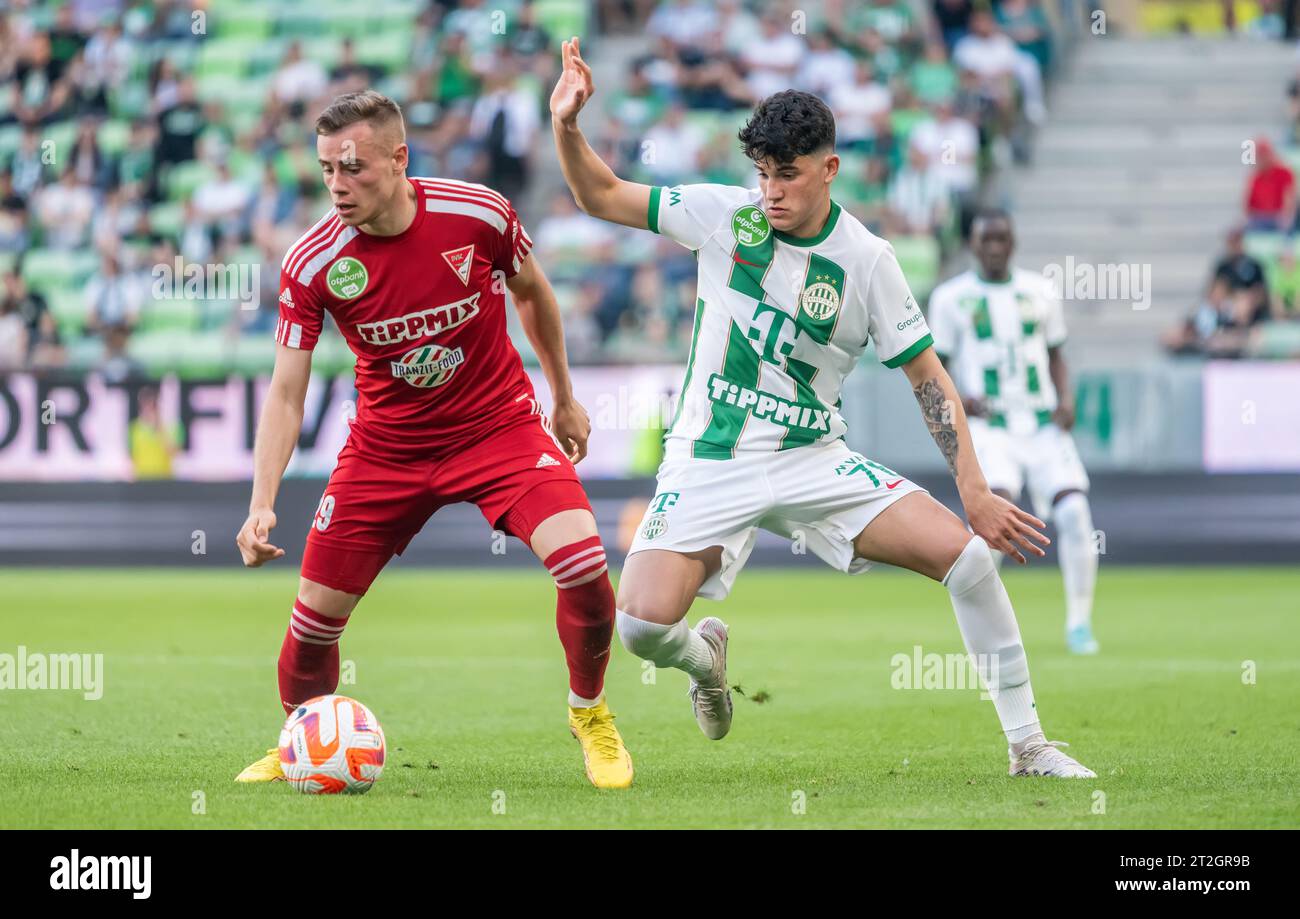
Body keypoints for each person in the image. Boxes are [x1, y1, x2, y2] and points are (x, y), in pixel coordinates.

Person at [550, 39, 1095, 777]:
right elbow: (601, 195)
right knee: (643, 627)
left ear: (829, 169)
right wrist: (568, 128)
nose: (771, 191)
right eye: (764, 174)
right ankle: (704, 658)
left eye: (789, 174)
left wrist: (974, 489)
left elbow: (928, 377)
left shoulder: (868, 261)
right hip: (711, 454)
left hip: (814, 456)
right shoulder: (722, 215)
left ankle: (1028, 745)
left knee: (967, 560)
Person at [233, 90, 633, 790]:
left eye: (352, 167)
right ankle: (302, 738)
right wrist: (262, 500)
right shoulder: (312, 262)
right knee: (312, 627)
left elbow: (533, 294)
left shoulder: (477, 213)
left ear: (398, 158)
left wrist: (563, 398)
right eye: (326, 169)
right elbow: (287, 391)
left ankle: (590, 712)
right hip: (385, 452)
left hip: (498, 429)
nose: (336, 185)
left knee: (587, 571)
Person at [928, 210, 1099, 654]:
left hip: (1042, 425)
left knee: (1076, 512)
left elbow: (1056, 354)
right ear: (973, 243)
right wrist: (962, 402)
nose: (995, 246)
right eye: (987, 238)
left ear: (1013, 242)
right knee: (992, 518)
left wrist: (1067, 400)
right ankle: (984, 631)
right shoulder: (950, 298)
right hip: (991, 427)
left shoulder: (1040, 291)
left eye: (1002, 238)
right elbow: (934, 370)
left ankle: (1079, 624)